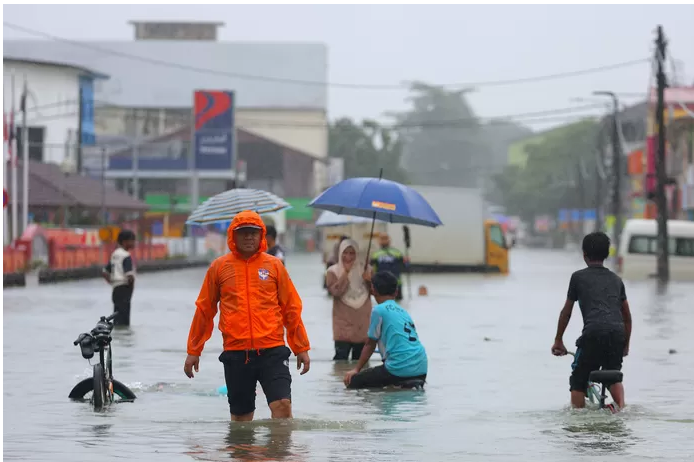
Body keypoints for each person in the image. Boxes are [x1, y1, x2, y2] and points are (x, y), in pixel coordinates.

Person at [184, 210, 311, 421]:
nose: (249, 237)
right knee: (242, 420)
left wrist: (301, 347)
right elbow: (205, 310)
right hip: (236, 353)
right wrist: (194, 350)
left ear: (261, 235)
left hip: (272, 350)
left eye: (254, 232)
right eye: (243, 232)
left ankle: (279, 453)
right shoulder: (219, 267)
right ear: (233, 236)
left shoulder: (274, 266)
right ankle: (245, 454)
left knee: (282, 406)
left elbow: (291, 308)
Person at [551, 231, 632, 412]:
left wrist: (558, 340)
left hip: (593, 333)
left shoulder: (578, 277)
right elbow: (627, 316)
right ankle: (620, 408)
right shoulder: (617, 280)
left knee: (578, 380)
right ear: (607, 254)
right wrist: (625, 344)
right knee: (614, 376)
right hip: (617, 334)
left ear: (584, 255)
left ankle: (579, 418)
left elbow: (567, 311)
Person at [343, 271, 428, 389]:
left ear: (373, 290)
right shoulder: (403, 311)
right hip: (421, 367)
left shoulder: (378, 310)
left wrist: (356, 369)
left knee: (353, 382)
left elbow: (370, 344)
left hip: (398, 369)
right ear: (396, 291)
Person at [325, 238, 373, 361]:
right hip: (343, 323)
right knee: (340, 361)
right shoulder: (332, 271)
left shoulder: (366, 269)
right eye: (345, 253)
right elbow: (335, 292)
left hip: (362, 323)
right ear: (340, 253)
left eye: (352, 253)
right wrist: (345, 273)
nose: (348, 257)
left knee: (360, 362)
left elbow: (375, 293)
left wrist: (369, 280)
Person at [102, 230, 136, 326]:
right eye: (132, 241)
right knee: (124, 320)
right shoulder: (126, 256)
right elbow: (129, 276)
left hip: (116, 289)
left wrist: (112, 282)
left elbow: (104, 272)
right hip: (124, 288)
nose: (134, 243)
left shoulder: (114, 254)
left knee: (117, 316)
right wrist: (131, 289)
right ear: (125, 242)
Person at [370, 233, 407, 301]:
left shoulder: (397, 253)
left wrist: (406, 261)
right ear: (379, 242)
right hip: (381, 283)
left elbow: (405, 265)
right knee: (383, 302)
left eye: (385, 239)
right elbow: (370, 268)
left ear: (389, 241)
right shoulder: (375, 254)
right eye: (382, 239)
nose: (384, 241)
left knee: (397, 302)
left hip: (396, 282)